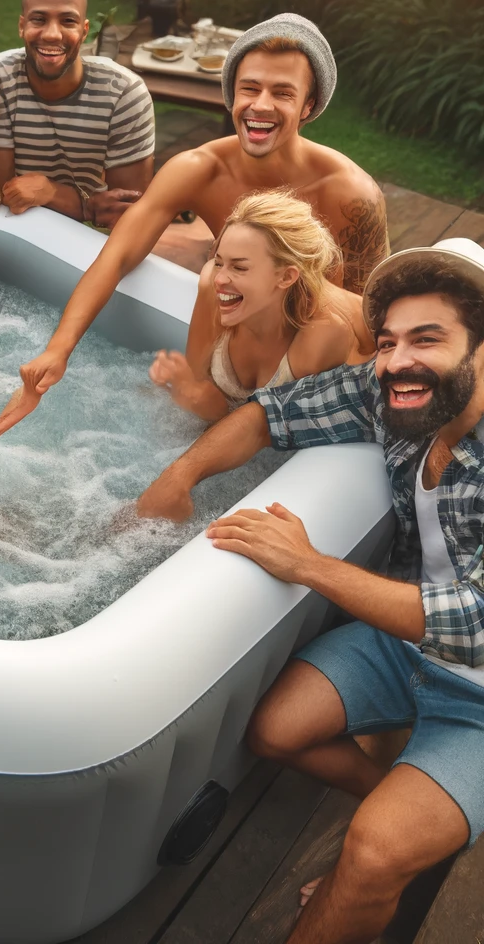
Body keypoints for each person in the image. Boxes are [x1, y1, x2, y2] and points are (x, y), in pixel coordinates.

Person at [136, 237, 484, 944]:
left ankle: (381, 861)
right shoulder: (399, 393)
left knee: (374, 854)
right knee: (273, 730)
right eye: (386, 342)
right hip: (405, 647)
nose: (396, 360)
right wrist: (178, 478)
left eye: (428, 338)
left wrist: (310, 564)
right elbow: (275, 412)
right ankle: (391, 806)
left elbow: (474, 622)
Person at [0, 13, 390, 444]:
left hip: (311, 371)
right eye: (249, 88)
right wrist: (57, 351)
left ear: (308, 106)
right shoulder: (199, 170)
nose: (261, 105)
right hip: (232, 357)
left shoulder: (349, 195)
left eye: (282, 93)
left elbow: (375, 319)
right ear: (231, 96)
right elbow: (117, 255)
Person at [150, 190, 373, 421]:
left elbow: (269, 436)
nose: (220, 279)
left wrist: (203, 401)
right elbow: (196, 380)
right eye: (219, 262)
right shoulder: (212, 286)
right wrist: (192, 392)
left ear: (286, 277)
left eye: (239, 268)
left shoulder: (322, 335)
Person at [0, 0, 155, 229]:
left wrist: (52, 192)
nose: (52, 34)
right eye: (39, 19)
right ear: (22, 26)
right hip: (13, 227)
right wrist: (89, 206)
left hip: (91, 238)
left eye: (68, 21)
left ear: (84, 29)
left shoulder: (124, 95)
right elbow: (0, 194)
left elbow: (128, 214)